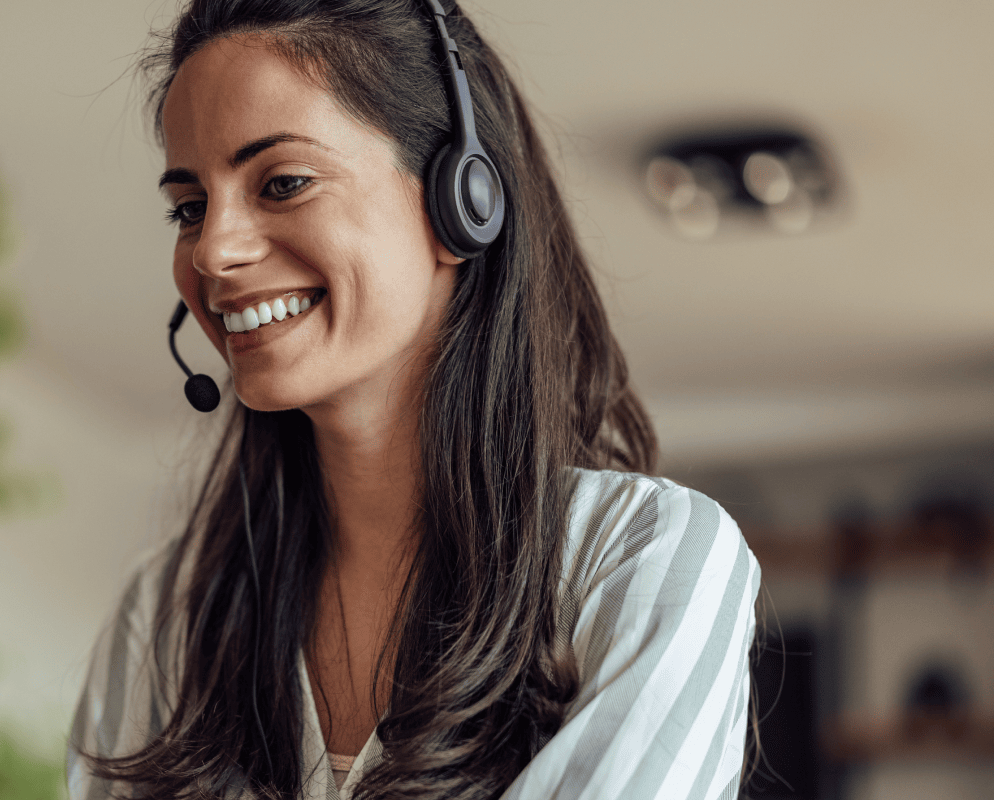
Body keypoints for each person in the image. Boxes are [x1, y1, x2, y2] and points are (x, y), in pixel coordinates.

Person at [68, 0, 761, 797]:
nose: (213, 251)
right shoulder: (163, 614)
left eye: (283, 183)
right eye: (191, 208)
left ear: (462, 198)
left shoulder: (646, 559)